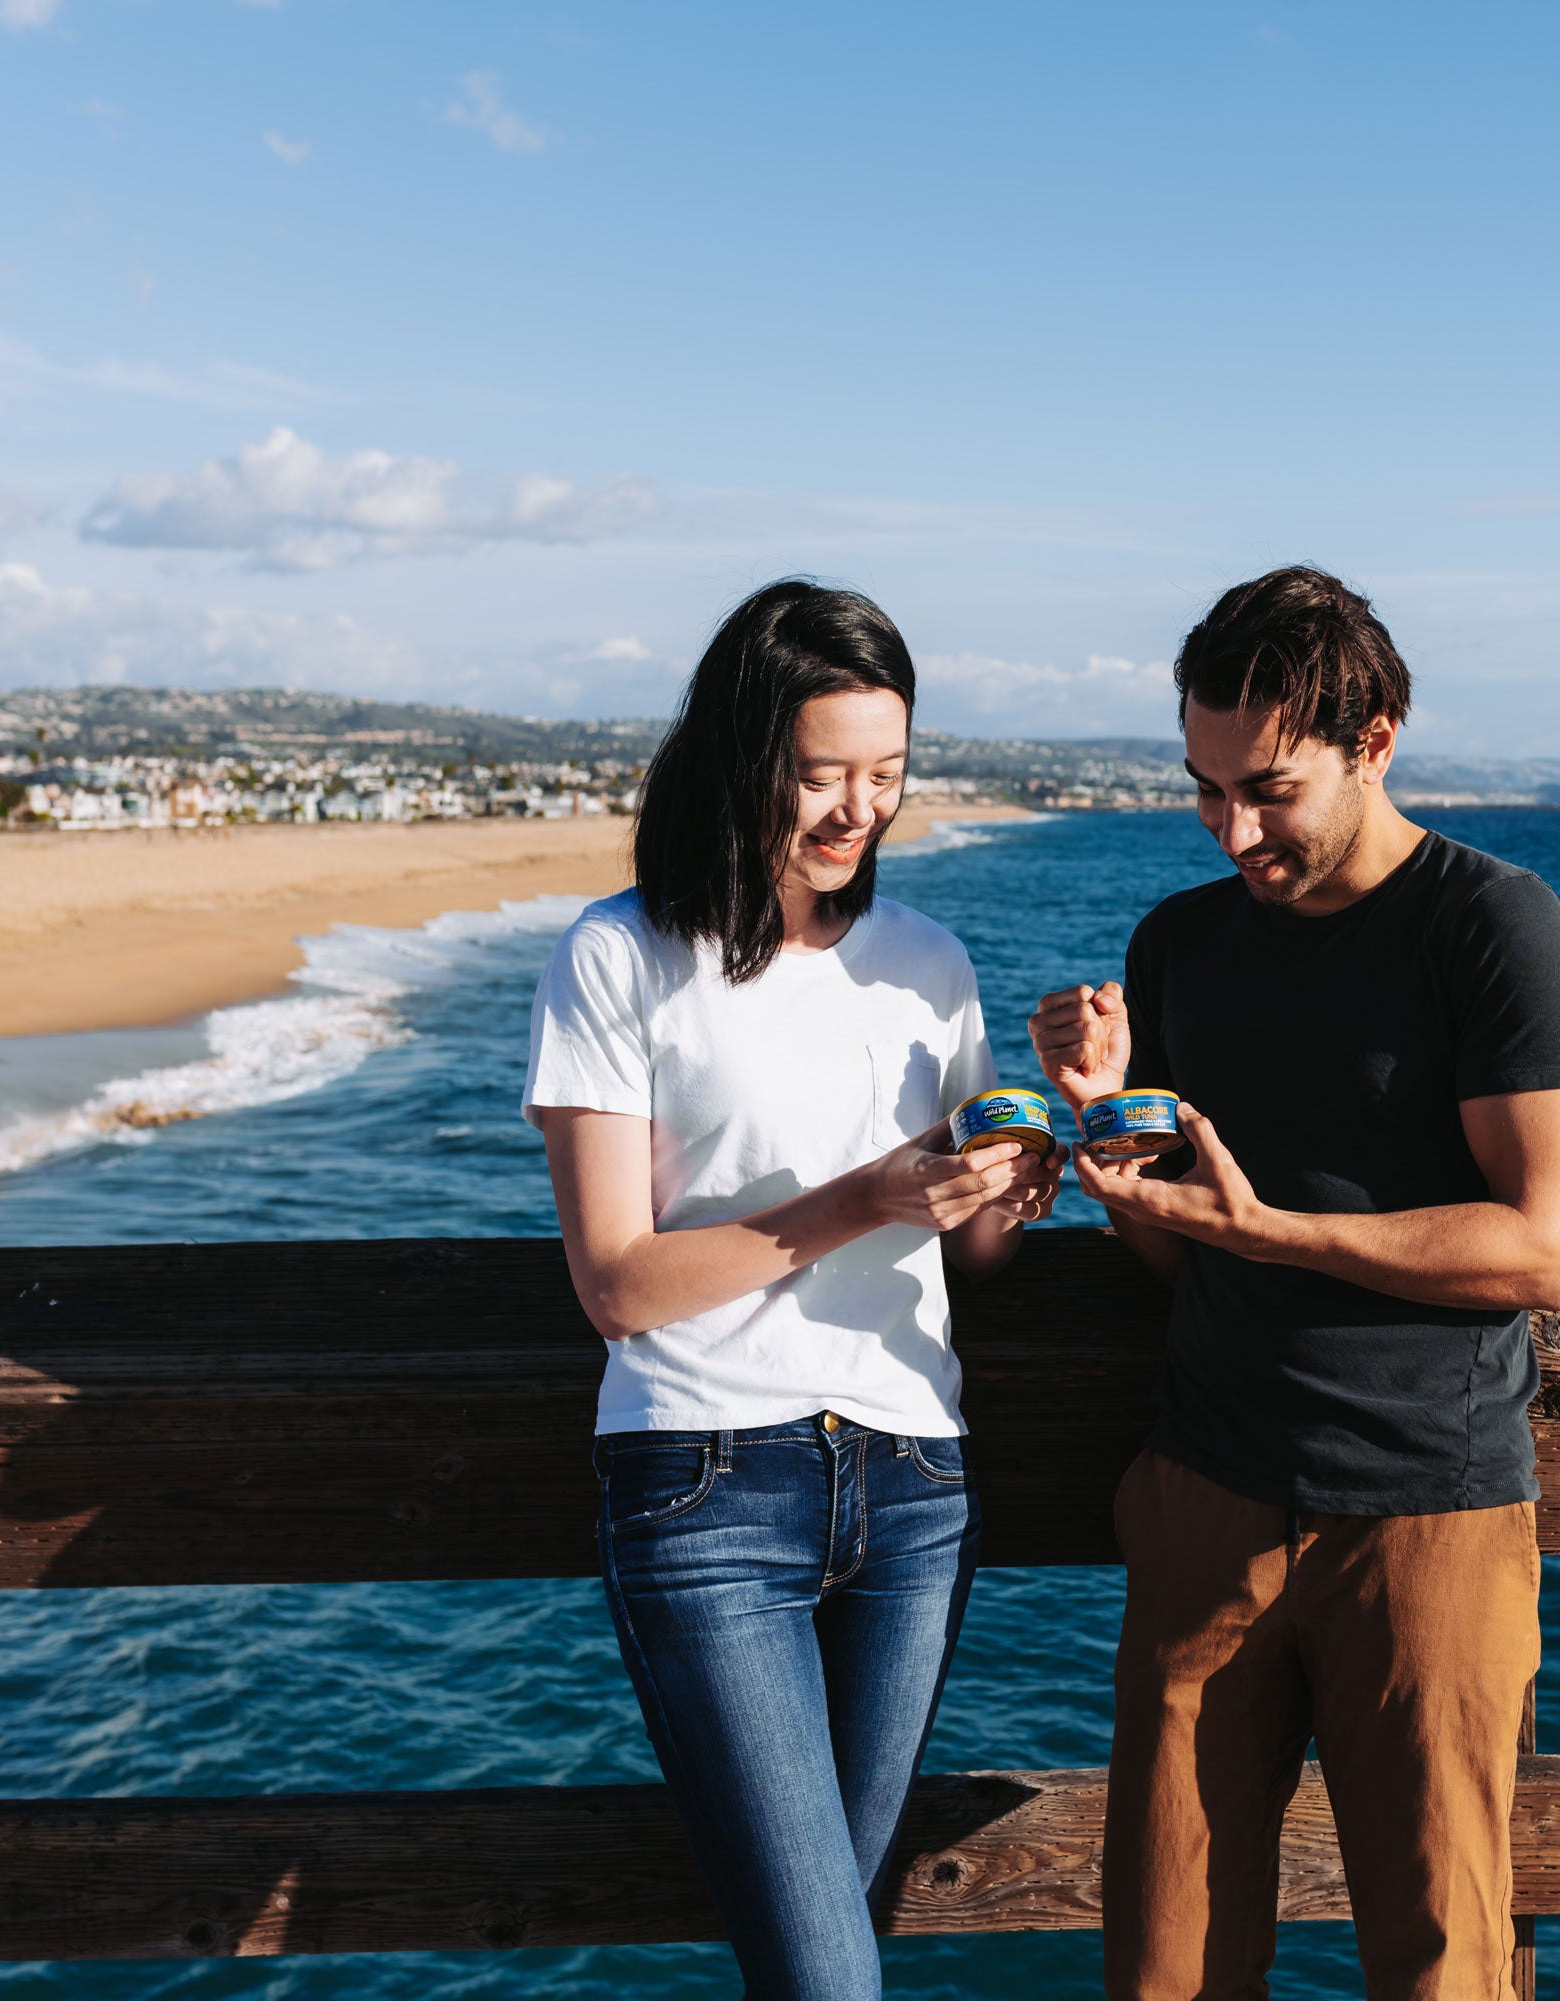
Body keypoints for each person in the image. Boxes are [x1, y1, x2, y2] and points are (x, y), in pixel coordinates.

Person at [1030, 566, 1560, 2001]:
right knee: (1164, 1967)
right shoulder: (1179, 943)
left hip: (1427, 1516)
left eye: (1269, 790)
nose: (1234, 829)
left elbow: (1548, 1248)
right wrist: (1105, 1123)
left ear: (1378, 739)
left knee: (1441, 1965)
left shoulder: (1491, 925)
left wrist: (1270, 1229)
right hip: (1204, 1491)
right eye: (1203, 787)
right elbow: (1181, 1244)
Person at [524, 579, 1055, 2001]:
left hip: (912, 1485)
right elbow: (620, 1284)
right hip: (705, 1486)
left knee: (823, 1965)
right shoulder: (617, 956)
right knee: (832, 1978)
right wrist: (869, 1196)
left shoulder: (929, 964)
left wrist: (1006, 1178)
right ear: (739, 754)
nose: (857, 811)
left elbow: (978, 1256)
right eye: (822, 774)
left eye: (886, 775)